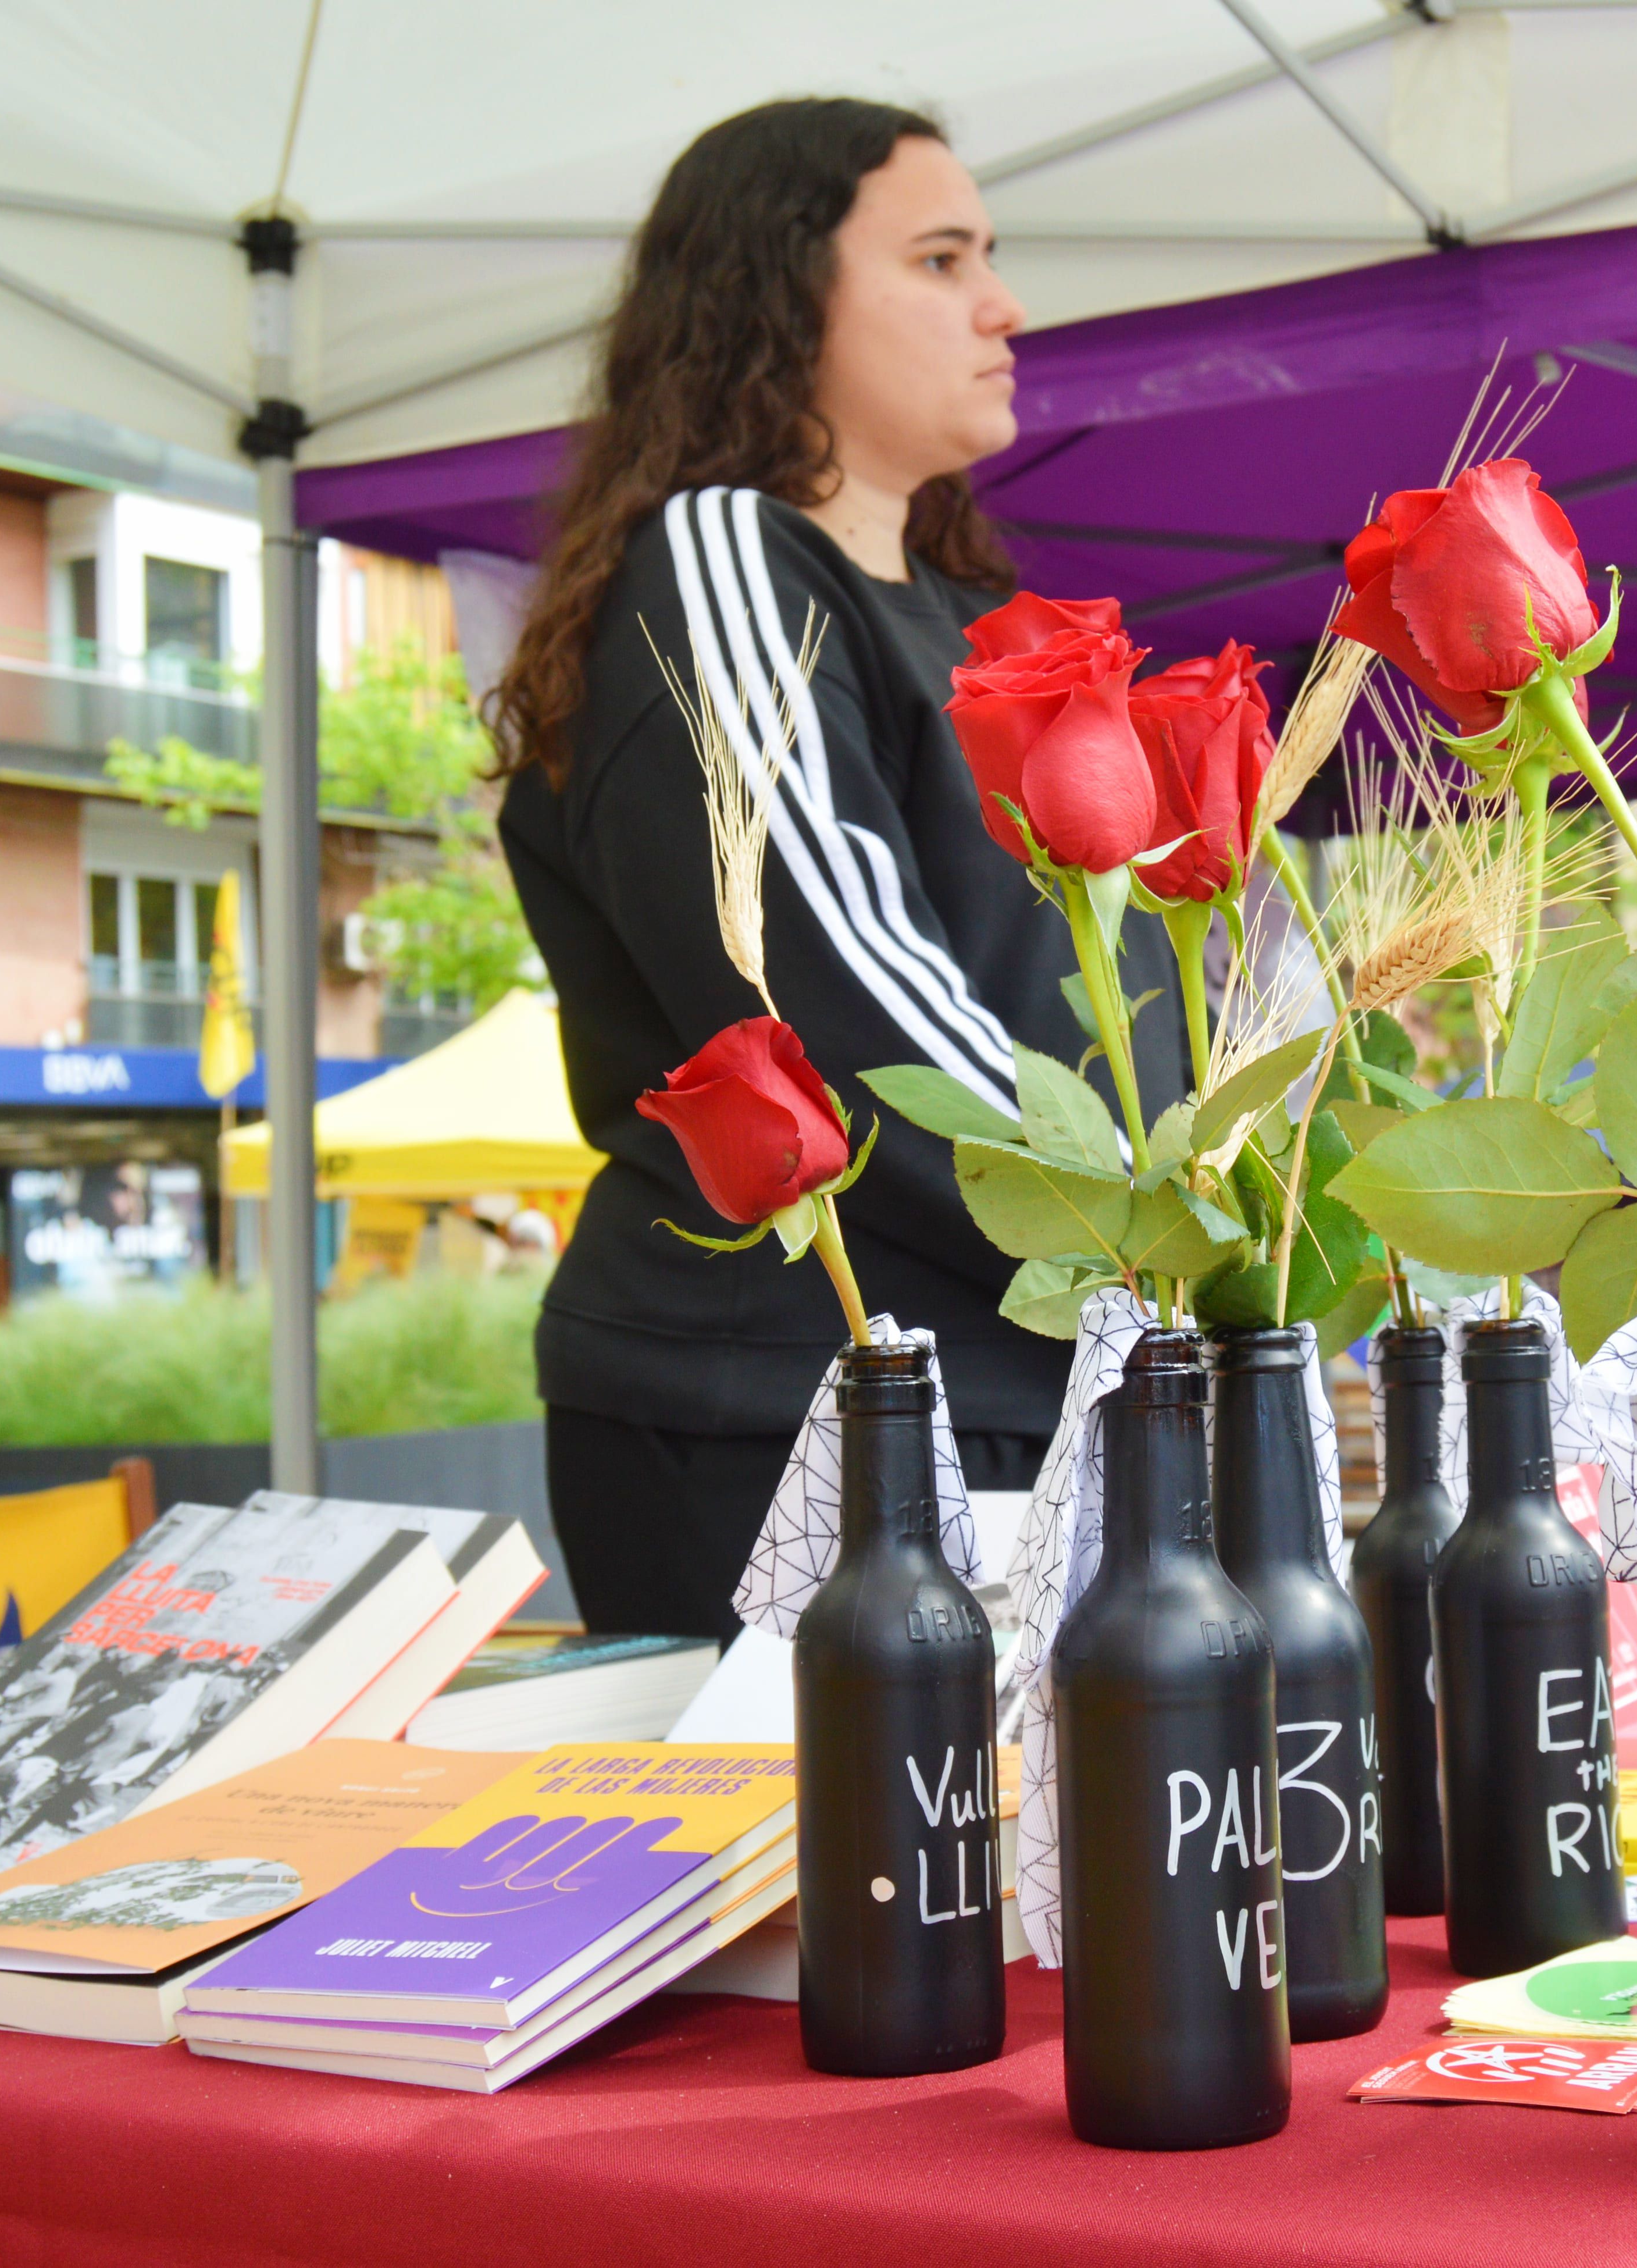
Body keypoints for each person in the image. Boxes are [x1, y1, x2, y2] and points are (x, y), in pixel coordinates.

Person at [488, 100, 1187, 1637]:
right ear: (776, 297)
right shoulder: (732, 559)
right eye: (941, 260)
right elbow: (842, 988)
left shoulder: (956, 608)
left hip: (1016, 1371)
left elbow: (1116, 991)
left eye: (990, 258)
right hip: (795, 1408)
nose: (1002, 307)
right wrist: (1173, 1221)